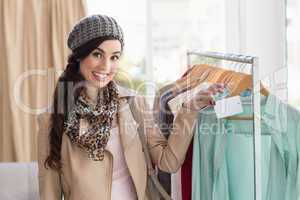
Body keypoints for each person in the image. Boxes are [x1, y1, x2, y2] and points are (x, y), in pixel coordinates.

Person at [37, 14, 224, 200]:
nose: (106, 66)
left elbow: (169, 162)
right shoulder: (52, 120)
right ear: (79, 56)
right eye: (97, 54)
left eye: (114, 57)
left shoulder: (134, 103)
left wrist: (189, 110)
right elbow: (49, 192)